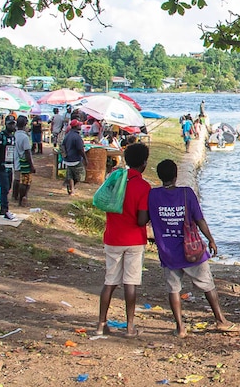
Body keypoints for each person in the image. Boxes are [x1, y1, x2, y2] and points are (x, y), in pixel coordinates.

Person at [147, 158, 240, 337]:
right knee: (208, 285)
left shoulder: (152, 195)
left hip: (167, 251)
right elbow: (199, 219)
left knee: (174, 289)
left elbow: (145, 218)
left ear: (160, 177)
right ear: (176, 176)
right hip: (191, 250)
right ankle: (221, 320)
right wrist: (211, 239)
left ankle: (180, 327)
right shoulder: (186, 193)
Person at [95, 143, 150, 338]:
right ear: (144, 163)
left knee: (109, 282)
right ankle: (129, 326)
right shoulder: (143, 186)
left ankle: (101, 324)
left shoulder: (115, 180)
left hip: (113, 237)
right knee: (130, 283)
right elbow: (141, 219)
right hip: (134, 240)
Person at [0, 116, 17, 220]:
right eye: (10, 124)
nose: (12, 126)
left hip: (10, 166)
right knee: (4, 188)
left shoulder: (13, 136)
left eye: (13, 123)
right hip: (2, 166)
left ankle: (4, 209)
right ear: (6, 124)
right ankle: (4, 209)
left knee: (8, 188)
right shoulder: (0, 136)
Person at [13, 115, 36, 207]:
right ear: (25, 124)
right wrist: (31, 165)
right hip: (24, 162)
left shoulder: (15, 135)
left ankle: (15, 196)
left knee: (17, 179)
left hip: (16, 161)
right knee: (25, 182)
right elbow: (27, 152)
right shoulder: (24, 137)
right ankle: (22, 199)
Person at [61, 119, 87, 196]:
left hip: (67, 159)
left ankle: (71, 189)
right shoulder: (77, 136)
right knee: (81, 176)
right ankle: (70, 185)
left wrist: (64, 154)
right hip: (75, 159)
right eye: (79, 125)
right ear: (76, 126)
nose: (80, 126)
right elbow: (80, 150)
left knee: (71, 174)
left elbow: (62, 145)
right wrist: (85, 159)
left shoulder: (67, 135)